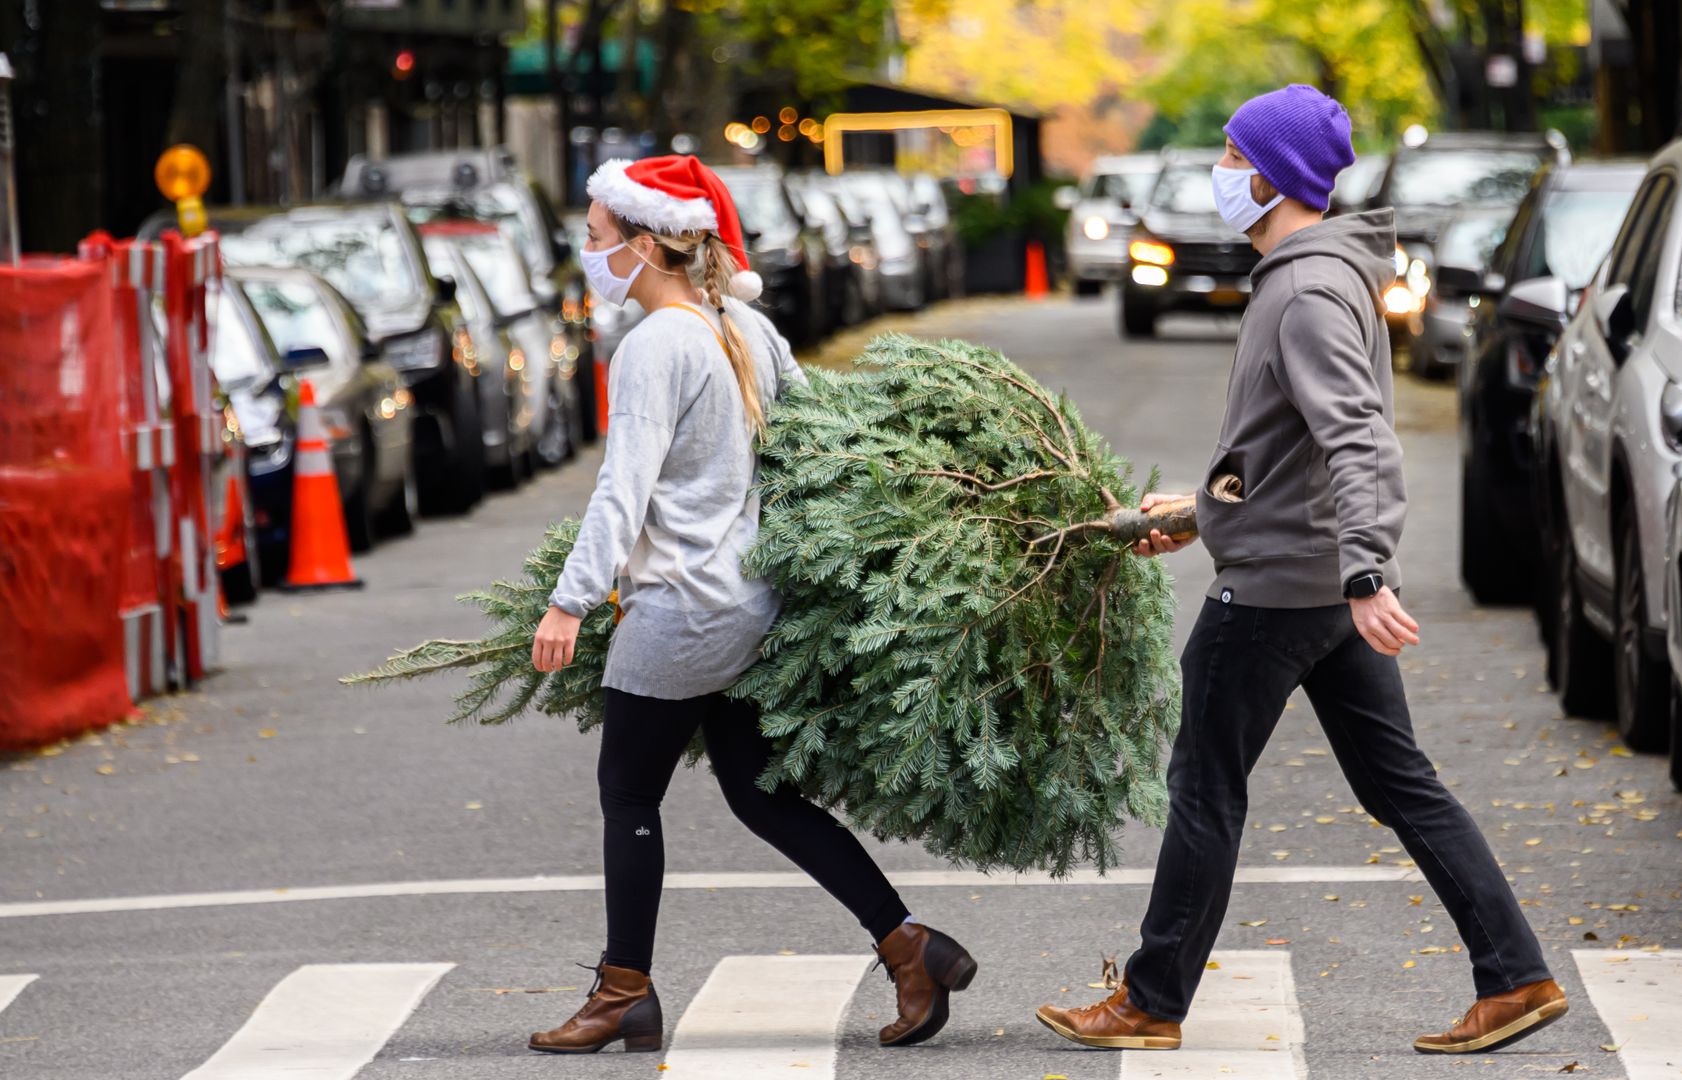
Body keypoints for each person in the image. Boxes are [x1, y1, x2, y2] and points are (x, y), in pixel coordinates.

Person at [1034, 86, 1567, 1056]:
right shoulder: (1309, 276)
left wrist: (1369, 570)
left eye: (1234, 159)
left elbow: (1358, 438)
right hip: (1308, 573)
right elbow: (1292, 453)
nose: (1223, 174)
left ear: (1271, 176)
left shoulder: (1307, 289)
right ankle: (1515, 974)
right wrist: (1206, 513)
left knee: (1205, 785)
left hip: (1285, 588)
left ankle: (1151, 1002)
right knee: (1399, 783)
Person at [526, 155, 976, 1055]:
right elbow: (813, 443)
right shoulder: (743, 325)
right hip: (748, 602)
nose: (585, 250)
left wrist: (570, 602)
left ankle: (625, 991)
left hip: (684, 609)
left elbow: (623, 488)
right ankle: (908, 945)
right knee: (760, 793)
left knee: (628, 793)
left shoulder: (656, 345)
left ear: (647, 243)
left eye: (596, 235)